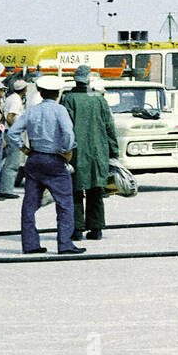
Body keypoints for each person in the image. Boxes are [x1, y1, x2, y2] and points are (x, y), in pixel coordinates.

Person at [6, 75, 84, 254]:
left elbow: (13, 133)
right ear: (57, 93)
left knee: (30, 205)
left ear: (40, 93)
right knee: (64, 203)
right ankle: (65, 244)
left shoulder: (31, 111)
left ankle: (30, 244)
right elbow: (68, 134)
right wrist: (66, 150)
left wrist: (24, 149)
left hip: (34, 159)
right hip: (54, 160)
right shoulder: (60, 110)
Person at [61, 65, 119, 241]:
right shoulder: (98, 98)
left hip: (76, 152)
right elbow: (110, 126)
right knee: (95, 190)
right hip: (98, 152)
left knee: (75, 191)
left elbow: (64, 127)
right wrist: (114, 151)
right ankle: (96, 229)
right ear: (88, 79)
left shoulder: (68, 98)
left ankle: (76, 230)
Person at [0, 77, 28, 200]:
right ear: (24, 89)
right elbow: (10, 117)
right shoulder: (16, 100)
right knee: (12, 163)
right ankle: (6, 190)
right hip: (12, 133)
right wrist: (15, 131)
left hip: (7, 132)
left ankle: (3, 188)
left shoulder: (10, 98)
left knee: (4, 161)